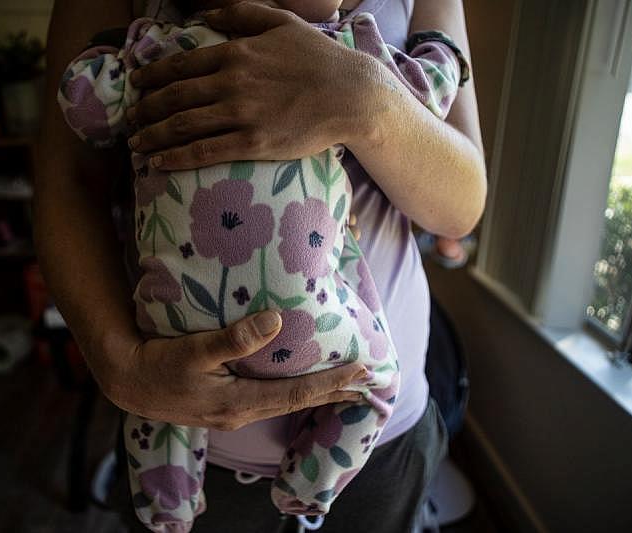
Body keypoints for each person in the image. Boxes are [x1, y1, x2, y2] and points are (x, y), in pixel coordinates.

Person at [35, 0, 486, 531]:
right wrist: (123, 372)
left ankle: (180, 494)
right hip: (178, 405)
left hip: (379, 449)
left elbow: (460, 210)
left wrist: (367, 100)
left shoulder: (359, 40)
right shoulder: (146, 47)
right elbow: (65, 178)